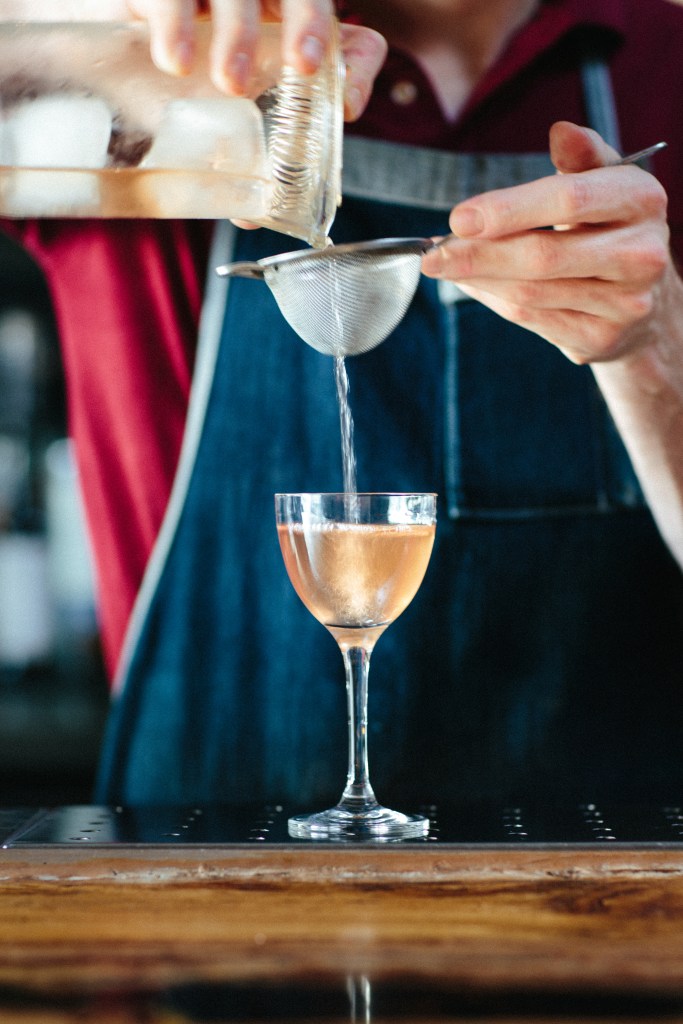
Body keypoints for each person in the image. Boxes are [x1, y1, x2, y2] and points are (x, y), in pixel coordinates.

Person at [5, 0, 683, 809]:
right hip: (203, 893)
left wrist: (655, 349)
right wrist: (73, 26)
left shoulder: (663, 65)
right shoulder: (167, 67)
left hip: (622, 894)